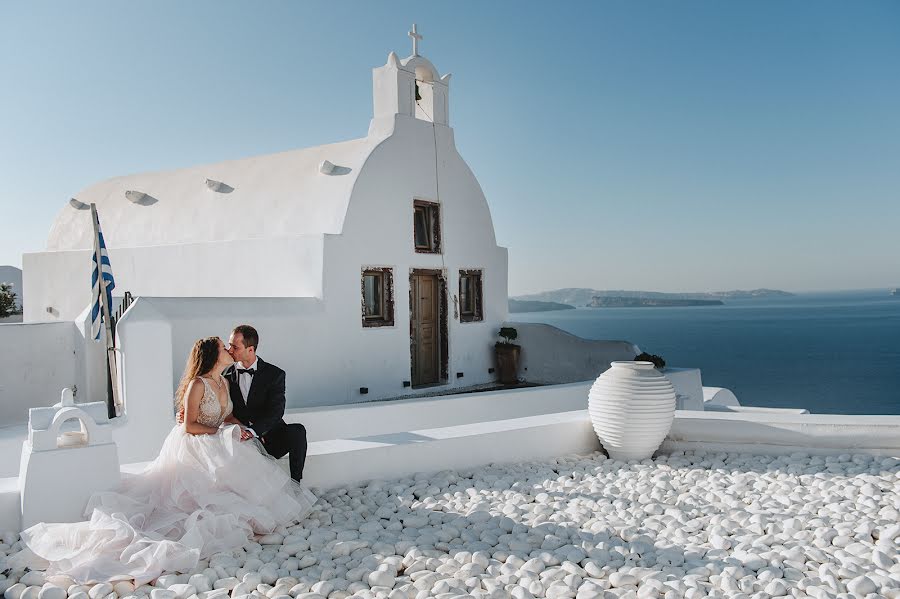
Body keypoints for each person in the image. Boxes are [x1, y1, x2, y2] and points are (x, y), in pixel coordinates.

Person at [14, 337, 315, 584]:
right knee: (189, 501)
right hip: (195, 443)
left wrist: (234, 428)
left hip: (217, 438)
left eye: (232, 346)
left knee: (241, 479)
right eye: (225, 347)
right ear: (213, 355)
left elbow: (228, 413)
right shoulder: (198, 384)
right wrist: (217, 431)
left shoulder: (224, 381)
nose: (229, 349)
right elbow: (189, 425)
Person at [225, 325, 308, 481]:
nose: (230, 350)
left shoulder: (274, 374)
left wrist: (255, 431)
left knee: (298, 431)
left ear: (250, 349)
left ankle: (296, 484)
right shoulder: (225, 374)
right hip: (240, 440)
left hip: (270, 438)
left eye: (234, 347)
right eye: (229, 345)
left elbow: (277, 411)